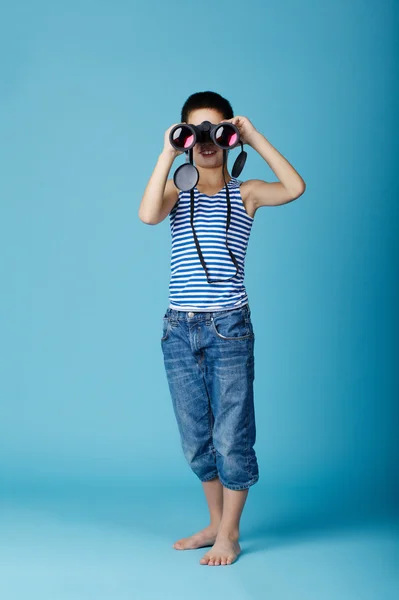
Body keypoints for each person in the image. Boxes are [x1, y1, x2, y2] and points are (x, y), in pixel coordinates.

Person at [138, 91, 306, 566]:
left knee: (232, 436)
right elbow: (148, 214)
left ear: (228, 136)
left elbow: (294, 187)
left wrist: (254, 135)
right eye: (196, 131)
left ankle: (229, 533)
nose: (206, 140)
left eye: (216, 130)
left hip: (229, 327)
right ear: (186, 137)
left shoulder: (246, 192)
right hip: (178, 329)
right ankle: (214, 522)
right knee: (196, 439)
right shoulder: (177, 191)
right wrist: (167, 152)